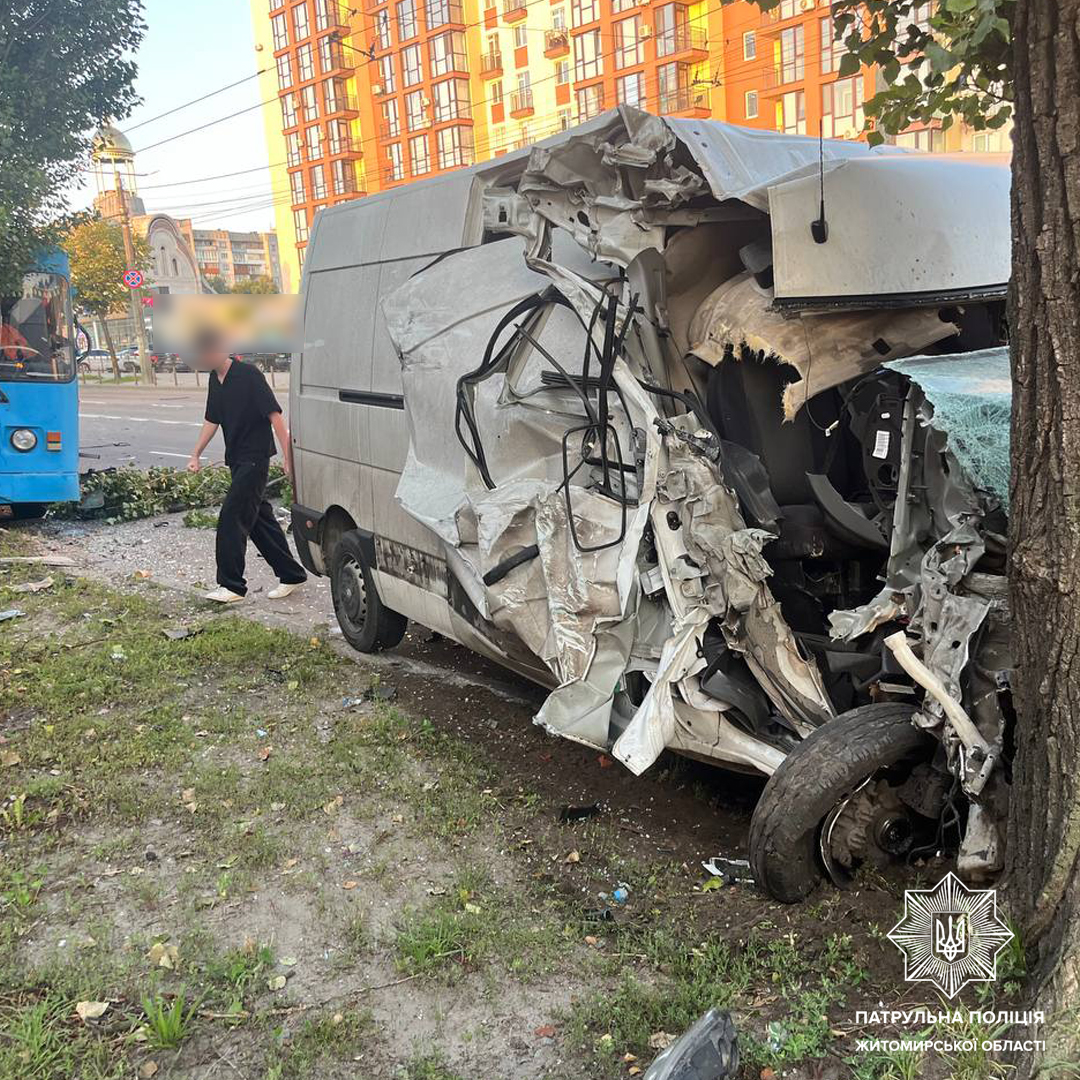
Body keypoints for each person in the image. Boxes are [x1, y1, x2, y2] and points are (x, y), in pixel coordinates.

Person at [187, 328, 307, 603]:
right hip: (236, 459)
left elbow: (276, 418)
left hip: (255, 458)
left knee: (231, 518)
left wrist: (289, 460)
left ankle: (232, 586)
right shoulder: (215, 380)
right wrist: (195, 454)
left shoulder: (250, 376)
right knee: (258, 520)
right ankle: (291, 574)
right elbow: (212, 420)